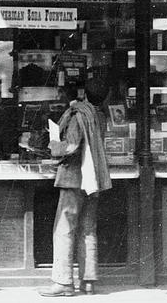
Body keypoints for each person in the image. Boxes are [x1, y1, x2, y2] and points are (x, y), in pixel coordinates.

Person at [39, 81, 111, 297]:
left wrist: (52, 143)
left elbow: (70, 146)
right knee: (88, 229)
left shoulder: (76, 114)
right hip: (93, 179)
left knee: (64, 229)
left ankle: (63, 282)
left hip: (73, 178)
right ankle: (88, 282)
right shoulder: (100, 116)